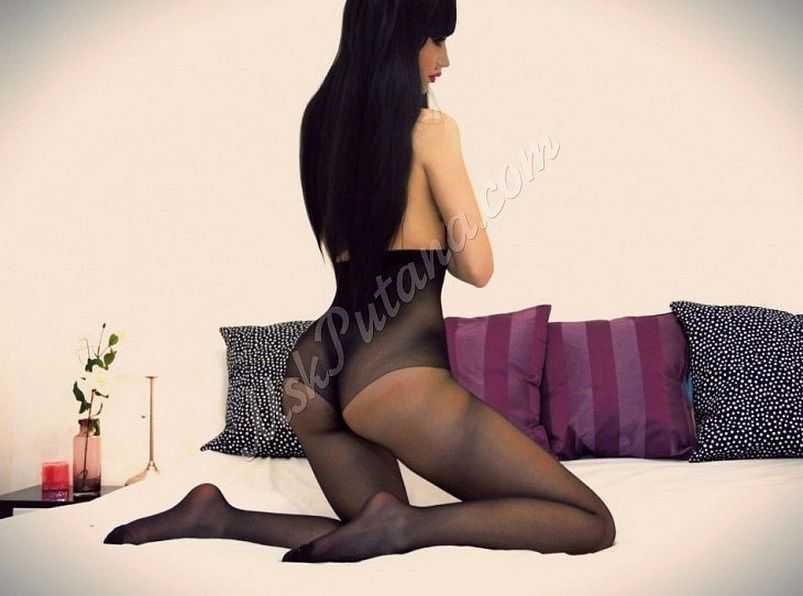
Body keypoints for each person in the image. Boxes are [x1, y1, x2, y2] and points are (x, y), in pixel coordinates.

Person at [103, 0, 616, 562]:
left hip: (315, 370)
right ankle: (403, 526)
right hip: (396, 373)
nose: (444, 59)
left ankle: (216, 515)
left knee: (371, 529)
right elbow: (478, 268)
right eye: (435, 39)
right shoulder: (432, 131)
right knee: (592, 523)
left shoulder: (319, 124)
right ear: (399, 37)